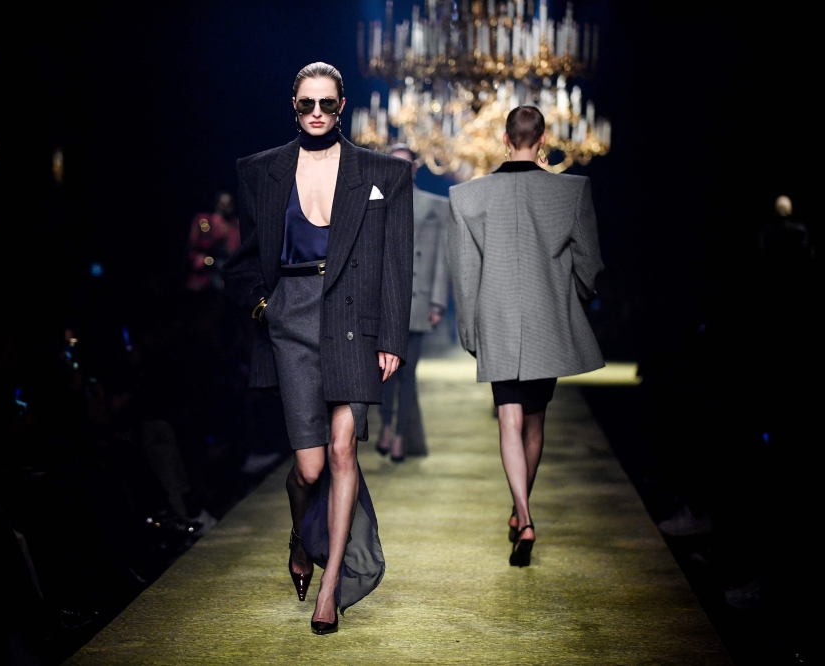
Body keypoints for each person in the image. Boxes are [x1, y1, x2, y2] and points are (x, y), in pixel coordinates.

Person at [223, 62, 413, 634]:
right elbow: (243, 261)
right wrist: (266, 309)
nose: (316, 114)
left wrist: (392, 338)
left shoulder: (382, 172)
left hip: (354, 320)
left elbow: (397, 263)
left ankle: (330, 589)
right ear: (294, 105)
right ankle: (299, 534)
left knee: (342, 450)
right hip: (293, 320)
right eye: (307, 103)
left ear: (341, 106)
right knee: (308, 469)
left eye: (327, 104)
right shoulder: (262, 170)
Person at [446, 105, 604, 567]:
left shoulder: (468, 197)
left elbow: (465, 271)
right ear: (543, 139)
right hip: (546, 320)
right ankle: (522, 512)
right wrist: (571, 298)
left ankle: (524, 515)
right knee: (535, 421)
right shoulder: (571, 191)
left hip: (496, 318)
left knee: (508, 418)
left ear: (504, 138)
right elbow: (589, 263)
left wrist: (469, 327)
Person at [377, 144, 449, 461]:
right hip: (382, 303)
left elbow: (441, 257)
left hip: (416, 301)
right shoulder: (374, 203)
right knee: (383, 373)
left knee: (407, 374)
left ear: (415, 169)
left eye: (405, 165)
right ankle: (386, 426)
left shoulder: (434, 205)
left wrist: (437, 303)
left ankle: (400, 437)